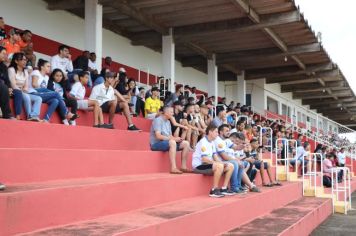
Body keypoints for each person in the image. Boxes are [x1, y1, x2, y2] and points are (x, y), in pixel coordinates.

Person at [192, 123, 235, 197]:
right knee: (219, 166)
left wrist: (223, 163)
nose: (217, 134)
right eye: (216, 132)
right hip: (199, 166)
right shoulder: (203, 142)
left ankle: (224, 188)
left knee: (230, 166)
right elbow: (204, 159)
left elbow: (215, 156)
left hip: (208, 165)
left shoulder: (212, 142)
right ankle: (214, 190)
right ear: (210, 132)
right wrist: (219, 164)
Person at [29, 59, 77, 124]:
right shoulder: (36, 72)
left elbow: (68, 88)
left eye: (50, 66)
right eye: (48, 66)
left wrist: (46, 91)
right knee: (56, 94)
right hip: (33, 93)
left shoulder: (46, 77)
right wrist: (46, 91)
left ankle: (46, 119)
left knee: (55, 100)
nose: (50, 68)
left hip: (42, 94)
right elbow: (34, 85)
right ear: (42, 67)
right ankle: (66, 112)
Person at [150, 106, 191, 174]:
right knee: (172, 142)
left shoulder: (168, 122)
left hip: (166, 142)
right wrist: (173, 139)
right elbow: (158, 136)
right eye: (171, 112)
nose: (173, 114)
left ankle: (183, 167)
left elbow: (170, 136)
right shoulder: (157, 120)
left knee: (185, 143)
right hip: (156, 144)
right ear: (166, 113)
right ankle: (173, 168)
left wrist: (177, 139)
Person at [8, 52, 42, 121]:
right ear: (16, 61)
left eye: (25, 60)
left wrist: (25, 90)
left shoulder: (25, 71)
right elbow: (13, 85)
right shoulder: (11, 69)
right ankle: (29, 116)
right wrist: (22, 91)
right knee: (26, 96)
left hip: (23, 91)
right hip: (14, 91)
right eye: (22, 60)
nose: (25, 61)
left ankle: (34, 115)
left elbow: (26, 86)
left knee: (38, 98)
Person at [0, 46, 14, 119]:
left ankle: (7, 114)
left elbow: (7, 80)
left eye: (6, 54)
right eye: (3, 53)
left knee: (6, 88)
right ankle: (7, 114)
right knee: (3, 87)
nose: (5, 56)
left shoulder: (4, 67)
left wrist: (9, 88)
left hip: (2, 87)